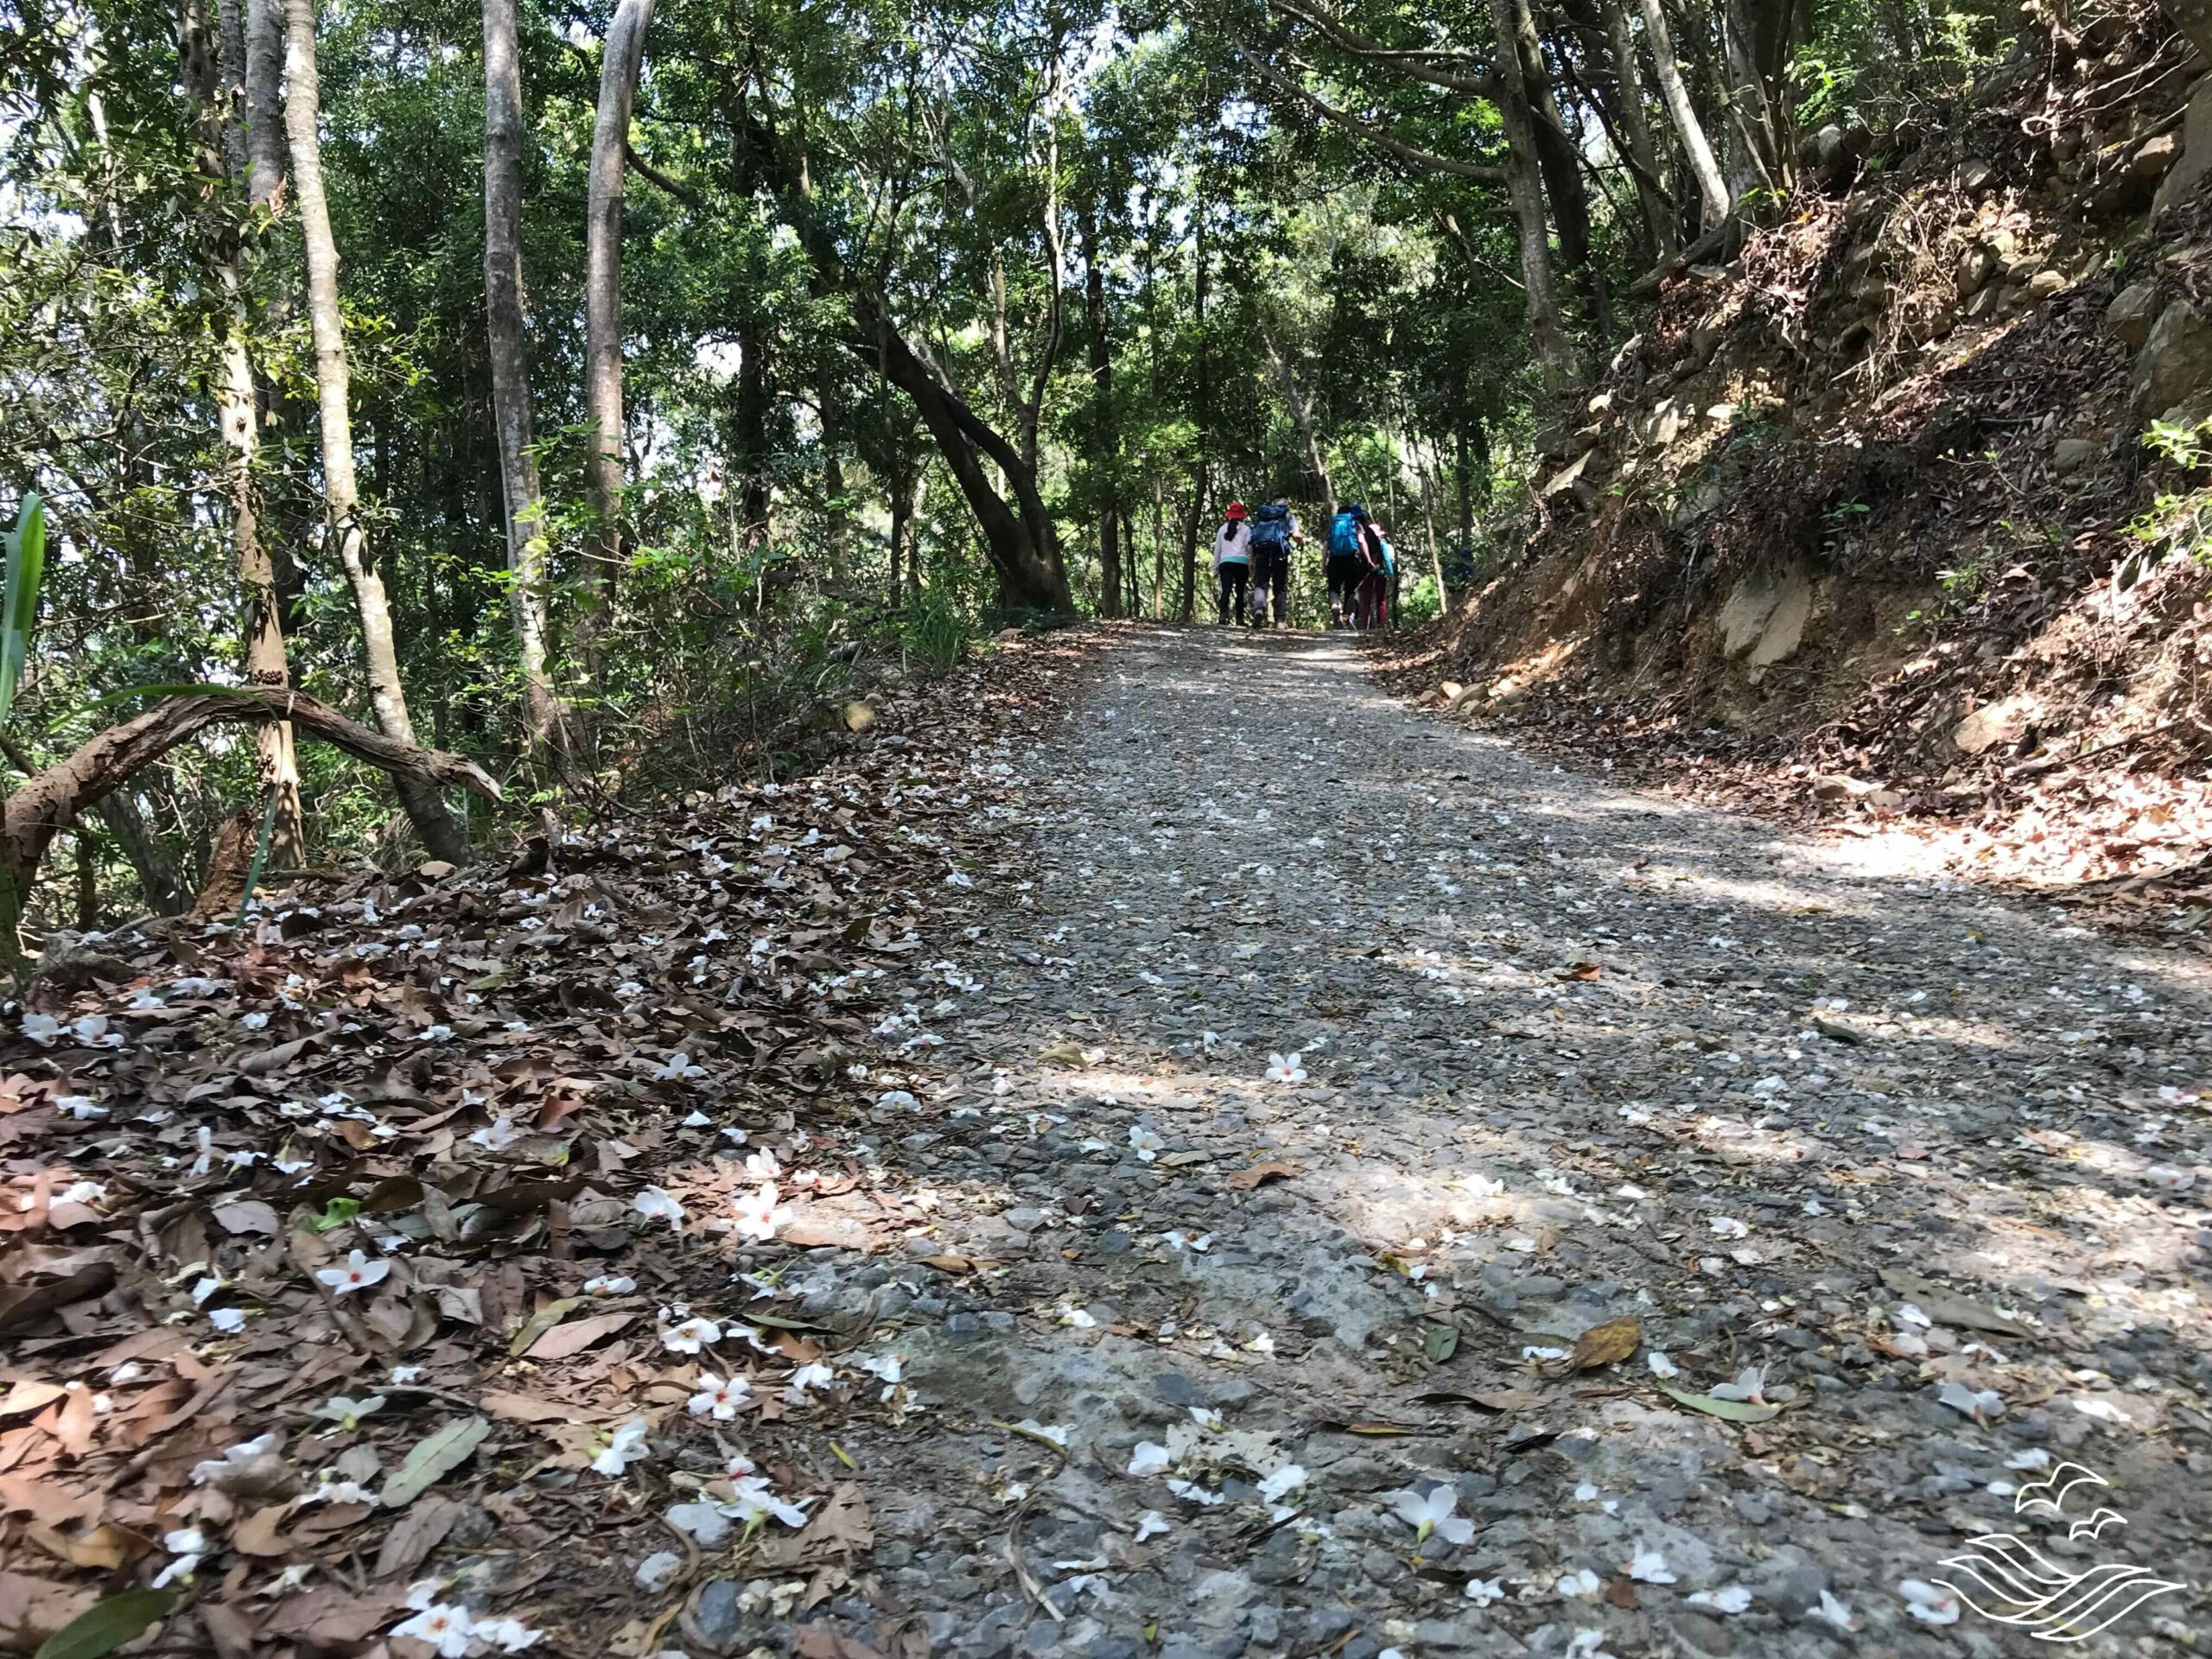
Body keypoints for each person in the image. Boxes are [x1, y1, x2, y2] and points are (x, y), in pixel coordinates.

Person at [1245, 494, 1300, 628]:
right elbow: (1296, 535)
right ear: (1286, 503)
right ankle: (1280, 620)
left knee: (1261, 584)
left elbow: (1252, 540)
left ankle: (1259, 609)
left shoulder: (1262, 516)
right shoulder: (1288, 516)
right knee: (1280, 586)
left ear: (1274, 503)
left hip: (1261, 553)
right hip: (1279, 553)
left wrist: (1251, 560)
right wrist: (1301, 540)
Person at [1325, 502, 1376, 627]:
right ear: (1350, 513)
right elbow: (1361, 542)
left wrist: (1323, 563)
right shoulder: (1356, 524)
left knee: (1334, 587)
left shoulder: (1332, 525)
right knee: (1350, 590)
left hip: (1334, 560)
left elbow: (1326, 546)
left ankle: (1334, 604)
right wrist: (1369, 560)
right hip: (1351, 559)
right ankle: (1346, 617)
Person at [1212, 500, 1252, 626]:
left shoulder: (1222, 529)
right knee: (1240, 591)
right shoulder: (1246, 529)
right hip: (1241, 563)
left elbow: (1217, 549)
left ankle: (1223, 616)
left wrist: (1216, 567)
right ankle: (1239, 618)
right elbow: (1249, 547)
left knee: (1226, 590)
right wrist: (1250, 562)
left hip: (1226, 562)